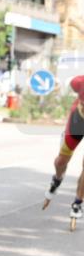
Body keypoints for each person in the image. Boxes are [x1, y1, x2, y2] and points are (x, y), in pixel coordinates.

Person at [44, 75, 84, 223]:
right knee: (61, 161)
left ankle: (78, 203)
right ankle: (57, 179)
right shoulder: (79, 81)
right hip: (78, 122)